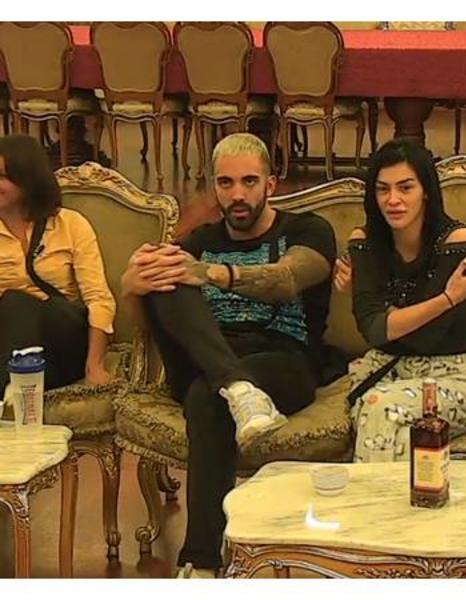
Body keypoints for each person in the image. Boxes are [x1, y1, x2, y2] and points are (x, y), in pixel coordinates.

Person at [120, 133, 336, 578]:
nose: (237, 194)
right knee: (167, 275)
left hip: (281, 359)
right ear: (214, 186)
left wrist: (209, 273)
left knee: (207, 396)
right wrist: (133, 287)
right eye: (226, 183)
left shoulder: (307, 230)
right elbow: (150, 322)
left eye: (249, 181)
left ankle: (200, 562)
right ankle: (238, 388)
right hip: (205, 357)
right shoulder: (197, 242)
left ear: (271, 184)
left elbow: (288, 279)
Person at [344, 139, 466, 463]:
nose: (393, 200)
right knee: (398, 435)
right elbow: (372, 330)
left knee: (379, 409)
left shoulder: (456, 240)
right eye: (382, 189)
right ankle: (428, 493)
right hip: (382, 372)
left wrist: (392, 317)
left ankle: (371, 499)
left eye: (405, 187)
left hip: (453, 377)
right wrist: (447, 298)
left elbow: (429, 337)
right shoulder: (364, 241)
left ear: (425, 190)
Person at [0, 134, 115, 399]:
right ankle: (12, 395)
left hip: (62, 340)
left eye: (2, 176)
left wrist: (95, 366)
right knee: (11, 308)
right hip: (8, 343)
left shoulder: (70, 224)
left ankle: (11, 399)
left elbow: (99, 299)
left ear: (26, 179)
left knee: (16, 303)